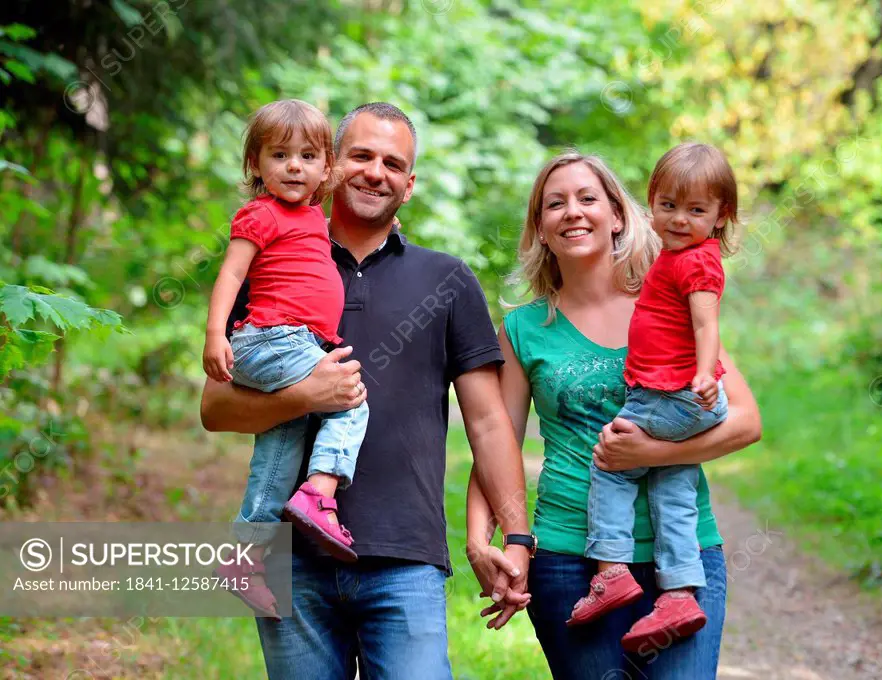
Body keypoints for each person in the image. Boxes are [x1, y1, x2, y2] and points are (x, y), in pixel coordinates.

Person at [200, 102, 531, 679]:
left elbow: (487, 422)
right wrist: (306, 396)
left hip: (406, 558)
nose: (375, 171)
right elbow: (215, 407)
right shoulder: (277, 259)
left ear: (409, 184)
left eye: (392, 163)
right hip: (290, 562)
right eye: (361, 155)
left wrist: (516, 535)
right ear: (332, 167)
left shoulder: (447, 279)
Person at [466, 151, 762, 679]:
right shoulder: (523, 330)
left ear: (618, 215)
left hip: (684, 560)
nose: (572, 212)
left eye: (587, 199)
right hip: (568, 560)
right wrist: (481, 539)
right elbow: (497, 441)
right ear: (540, 228)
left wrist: (653, 452)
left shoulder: (666, 300)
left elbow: (744, 420)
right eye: (554, 204)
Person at [569, 142, 742, 655]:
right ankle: (681, 592)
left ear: (720, 215)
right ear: (650, 206)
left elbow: (706, 322)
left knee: (612, 458)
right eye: (668, 206)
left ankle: (611, 569)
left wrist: (707, 373)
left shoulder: (696, 264)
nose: (680, 220)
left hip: (673, 394)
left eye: (696, 211)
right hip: (682, 398)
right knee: (672, 486)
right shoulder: (677, 257)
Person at [202, 99, 369, 619]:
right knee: (349, 397)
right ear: (257, 165)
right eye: (279, 155)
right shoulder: (260, 213)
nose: (294, 166)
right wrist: (214, 334)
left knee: (281, 447)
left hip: (295, 342)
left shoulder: (315, 217)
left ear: (326, 168)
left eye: (307, 156)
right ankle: (321, 493)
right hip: (270, 340)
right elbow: (231, 275)